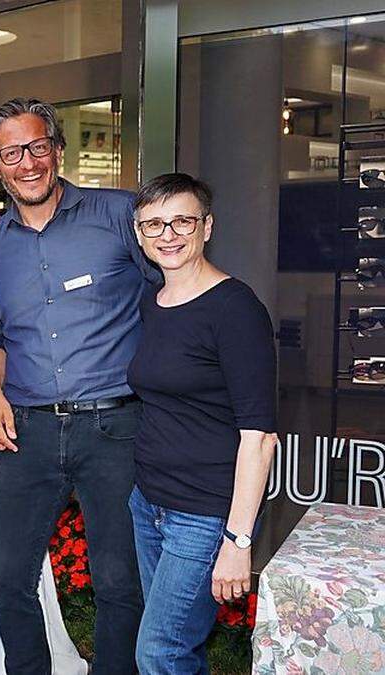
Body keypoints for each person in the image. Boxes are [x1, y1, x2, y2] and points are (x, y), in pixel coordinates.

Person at [0, 98, 159, 675]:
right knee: (6, 578)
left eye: (36, 147)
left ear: (57, 150)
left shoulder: (120, 216)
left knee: (120, 580)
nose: (26, 163)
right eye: (10, 153)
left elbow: (173, 291)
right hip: (26, 430)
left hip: (115, 428)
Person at [125, 173, 277, 674]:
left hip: (206, 515)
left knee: (160, 651)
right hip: (149, 503)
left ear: (206, 227)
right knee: (176, 647)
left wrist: (238, 542)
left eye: (181, 221)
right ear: (139, 233)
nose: (167, 234)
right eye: (154, 224)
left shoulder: (235, 309)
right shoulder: (154, 302)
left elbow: (260, 438)